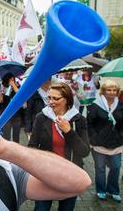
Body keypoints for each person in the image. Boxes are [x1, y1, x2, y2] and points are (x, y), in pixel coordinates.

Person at [28, 82, 90, 211]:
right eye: (49, 98)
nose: (51, 102)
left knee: (66, 208)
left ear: (67, 100)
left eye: (56, 98)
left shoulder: (78, 120)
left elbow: (84, 152)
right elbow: (32, 146)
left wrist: (68, 131)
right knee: (41, 208)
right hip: (46, 173)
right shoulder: (42, 117)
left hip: (70, 173)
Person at [87, 79, 123, 202]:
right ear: (103, 91)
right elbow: (89, 124)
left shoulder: (120, 106)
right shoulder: (95, 105)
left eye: (114, 90)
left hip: (116, 144)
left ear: (117, 92)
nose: (112, 92)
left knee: (116, 167)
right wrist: (93, 138)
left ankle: (113, 190)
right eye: (109, 90)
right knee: (100, 168)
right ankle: (101, 190)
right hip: (99, 144)